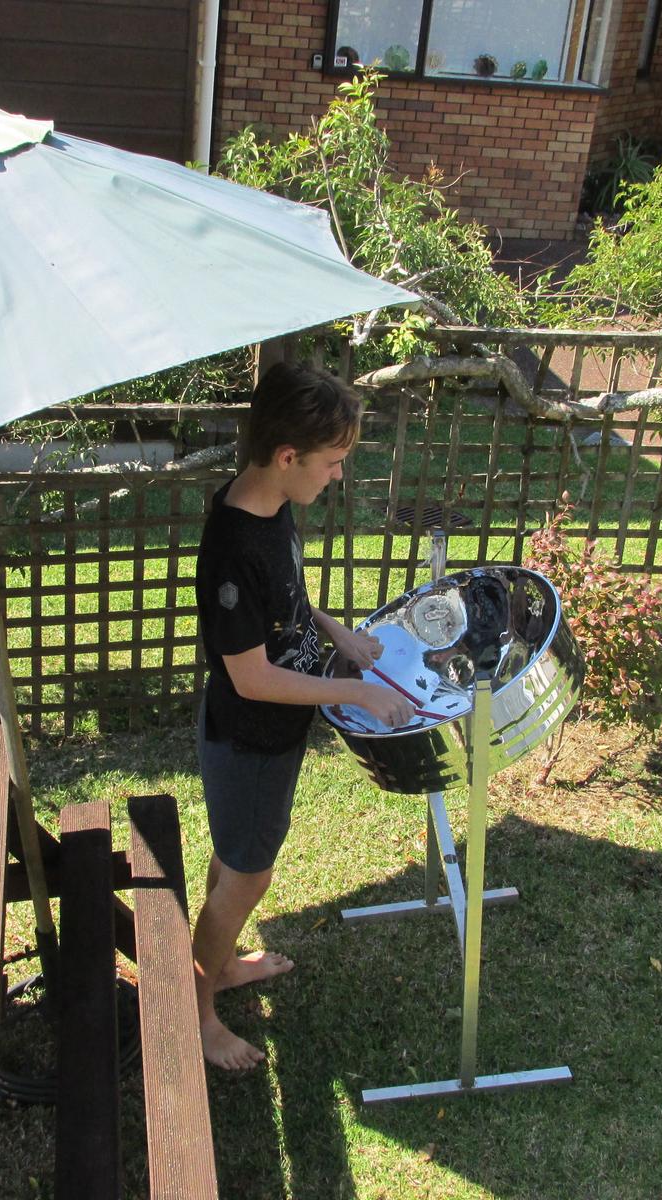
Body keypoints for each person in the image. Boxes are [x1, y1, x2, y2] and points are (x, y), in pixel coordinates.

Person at [192, 362, 414, 1070]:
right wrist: (356, 692)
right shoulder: (232, 550)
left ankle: (219, 966)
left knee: (234, 865)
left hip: (268, 736)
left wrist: (336, 632)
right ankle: (195, 1014)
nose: (337, 476)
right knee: (247, 876)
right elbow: (251, 677)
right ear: (288, 457)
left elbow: (284, 599)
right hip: (249, 740)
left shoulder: (267, 501)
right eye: (333, 462)